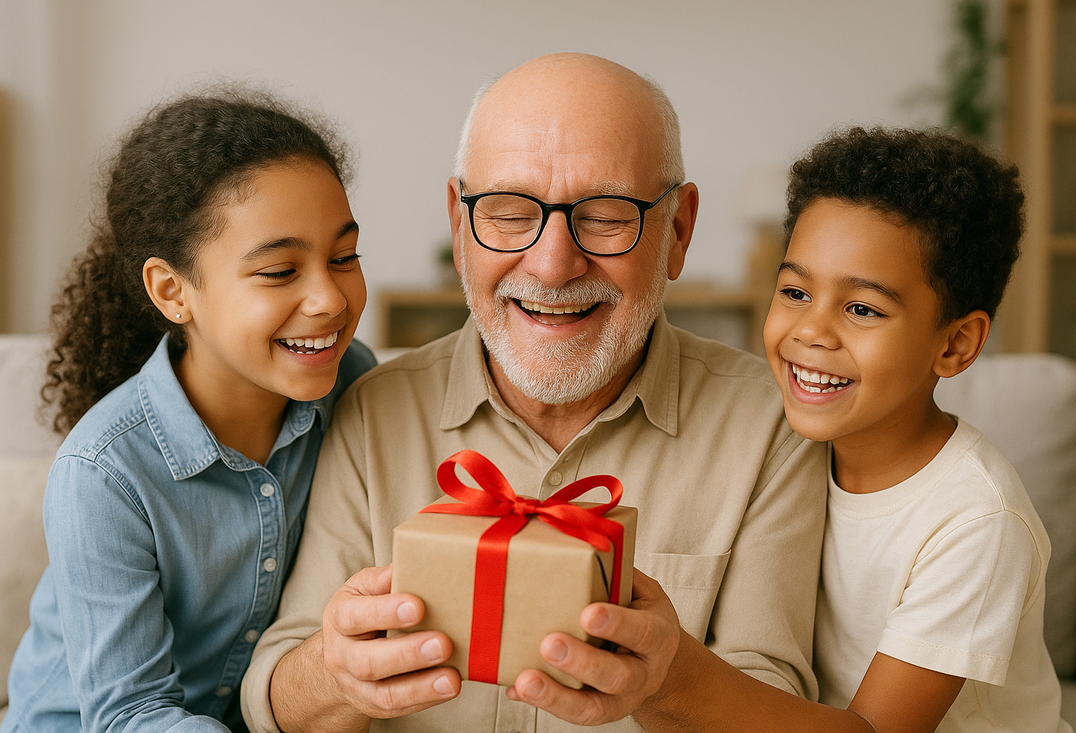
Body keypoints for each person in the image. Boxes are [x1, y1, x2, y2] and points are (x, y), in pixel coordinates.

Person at [240, 52, 827, 733]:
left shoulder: (769, 422)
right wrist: (335, 673)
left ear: (678, 230)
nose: (552, 265)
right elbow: (272, 698)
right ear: (460, 227)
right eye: (511, 213)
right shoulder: (373, 409)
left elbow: (776, 698)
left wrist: (669, 678)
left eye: (607, 214)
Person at [1, 91, 376, 732]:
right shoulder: (103, 473)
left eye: (343, 257)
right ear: (173, 291)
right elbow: (130, 715)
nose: (329, 299)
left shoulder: (353, 383)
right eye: (280, 270)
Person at [676, 126, 1070, 732]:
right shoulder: (786, 450)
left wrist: (672, 679)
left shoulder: (977, 523)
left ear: (956, 343)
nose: (812, 330)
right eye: (795, 291)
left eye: (862, 308)